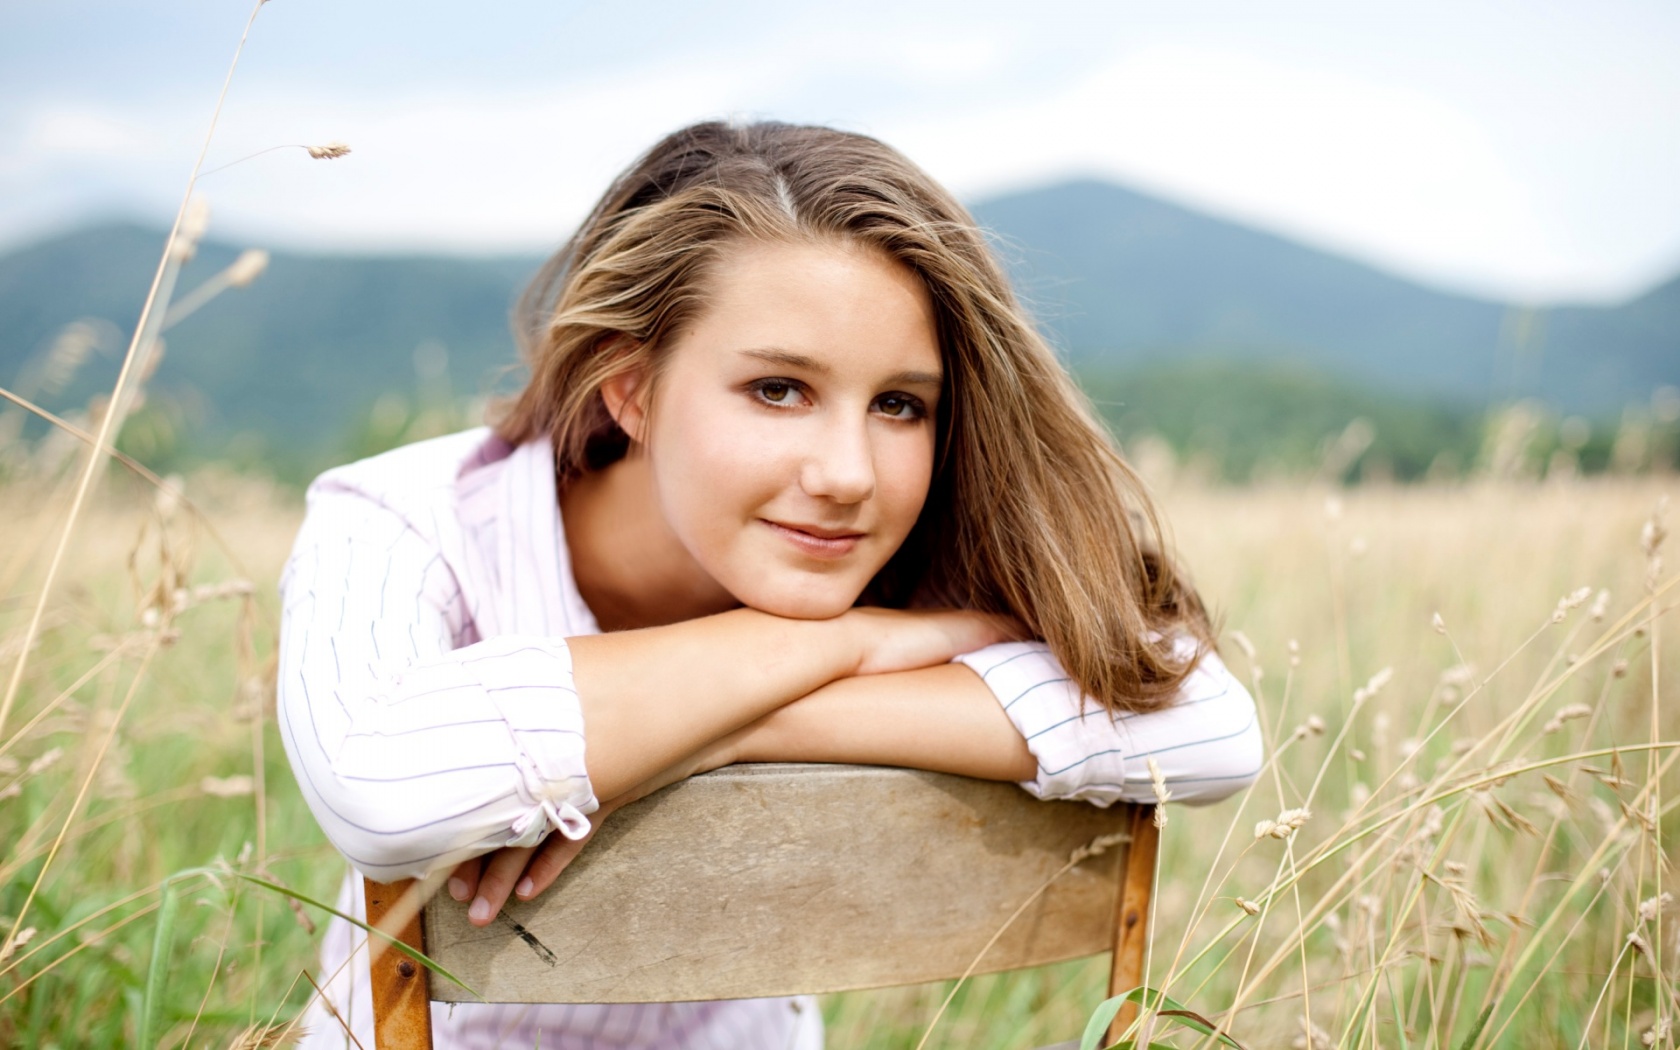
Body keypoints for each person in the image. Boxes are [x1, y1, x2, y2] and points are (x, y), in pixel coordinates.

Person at [279, 120, 1263, 1049]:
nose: (848, 474)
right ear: (632, 388)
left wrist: (741, 725)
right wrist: (833, 647)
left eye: (898, 404)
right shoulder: (410, 517)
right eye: (777, 390)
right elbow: (378, 784)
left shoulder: (913, 541)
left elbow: (1210, 728)